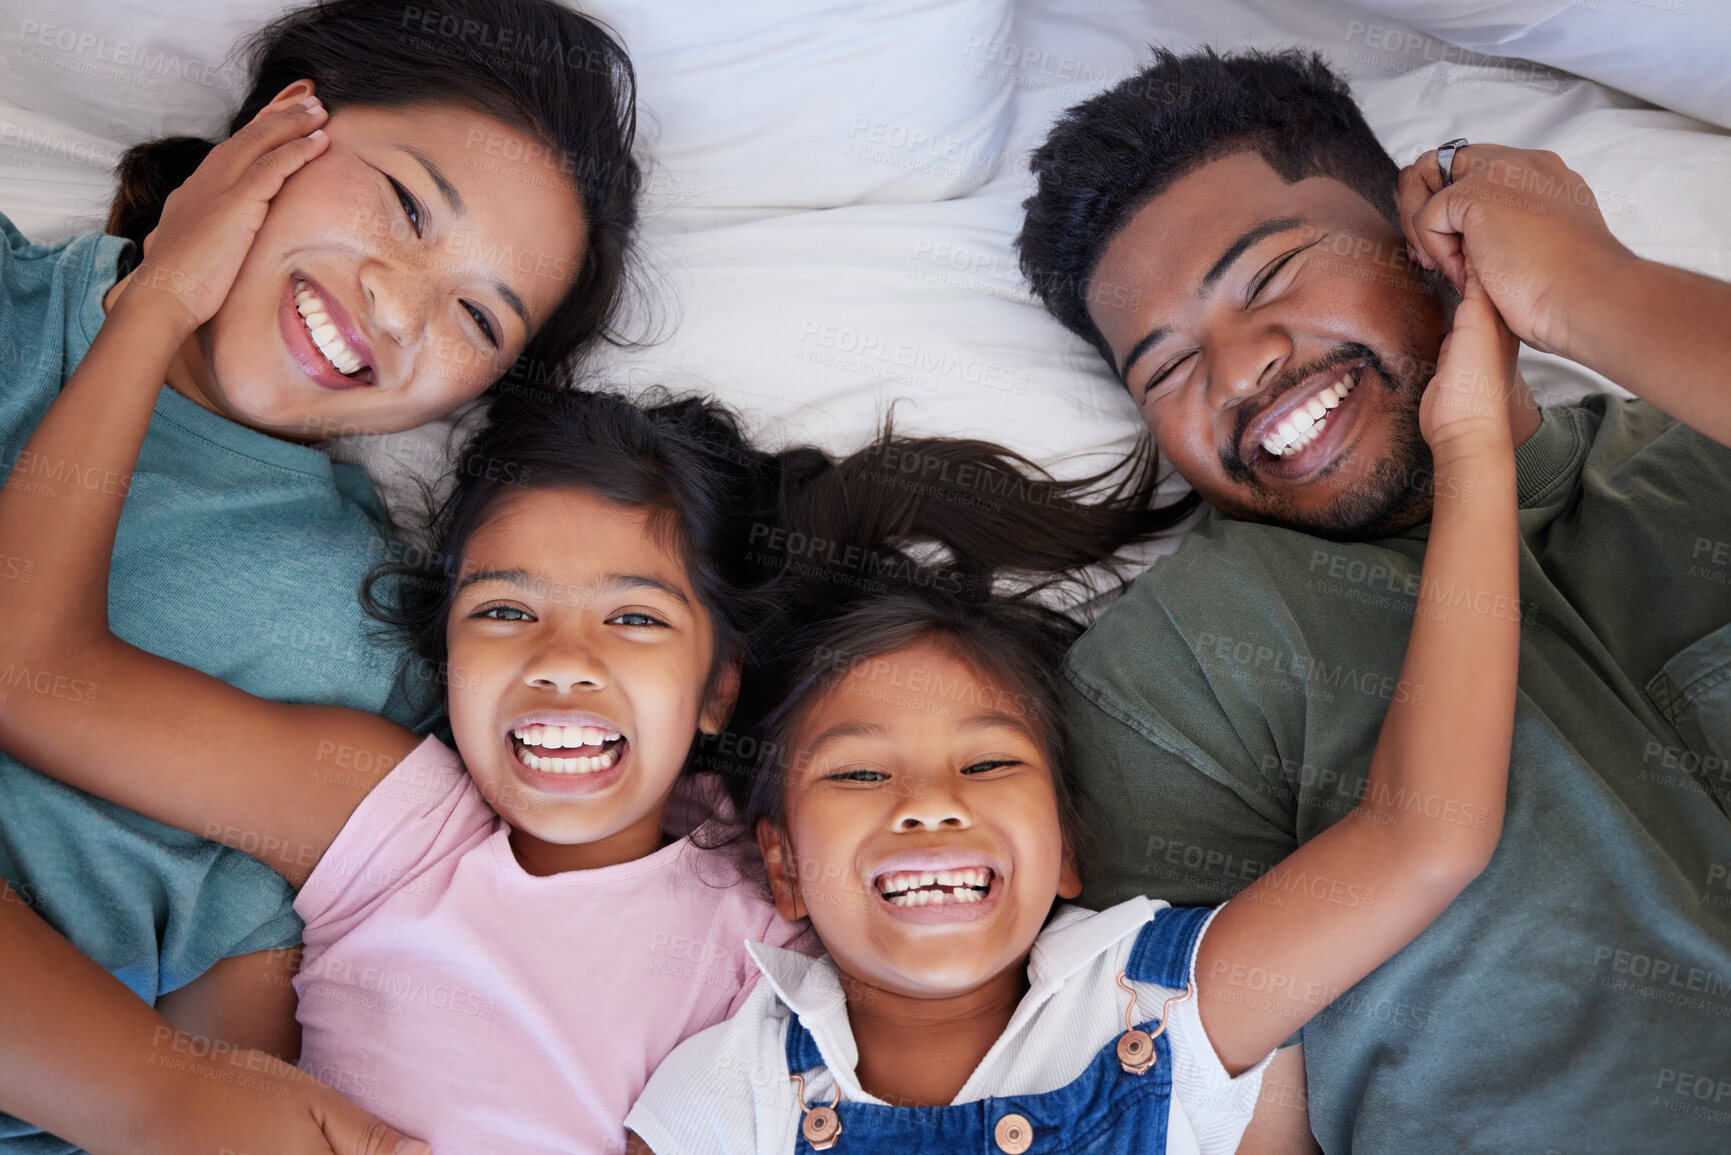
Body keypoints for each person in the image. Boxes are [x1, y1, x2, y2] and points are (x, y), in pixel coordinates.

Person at [1018, 47, 1731, 1152]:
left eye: (1271, 278)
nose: (1240, 368)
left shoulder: (1701, 439)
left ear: (1428, 244)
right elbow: (1218, 1103)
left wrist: (1592, 288)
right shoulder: (1179, 667)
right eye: (1165, 370)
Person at [622, 280, 1520, 1155]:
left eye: (988, 766)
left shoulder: (1167, 1003)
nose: (930, 804)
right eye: (859, 773)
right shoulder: (723, 1097)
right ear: (781, 864)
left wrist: (1473, 446)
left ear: (1065, 851)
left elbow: (1422, 836)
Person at [0, 0, 638, 1147]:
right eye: (404, 206)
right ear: (287, 123)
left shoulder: (362, 635)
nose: (399, 303)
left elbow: (240, 1041)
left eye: (477, 320)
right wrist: (152, 310)